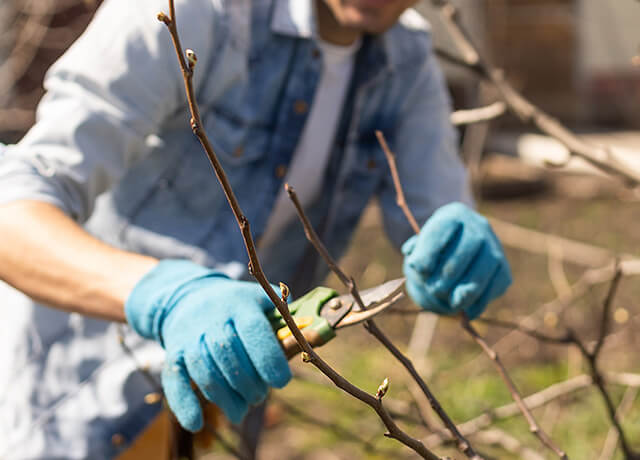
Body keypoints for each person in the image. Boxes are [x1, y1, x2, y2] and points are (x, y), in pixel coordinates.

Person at [0, 0, 511, 458]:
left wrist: (456, 248)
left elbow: (436, 220)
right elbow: (13, 206)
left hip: (216, 406)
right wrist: (166, 295)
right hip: (62, 401)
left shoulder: (406, 60)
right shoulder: (193, 12)